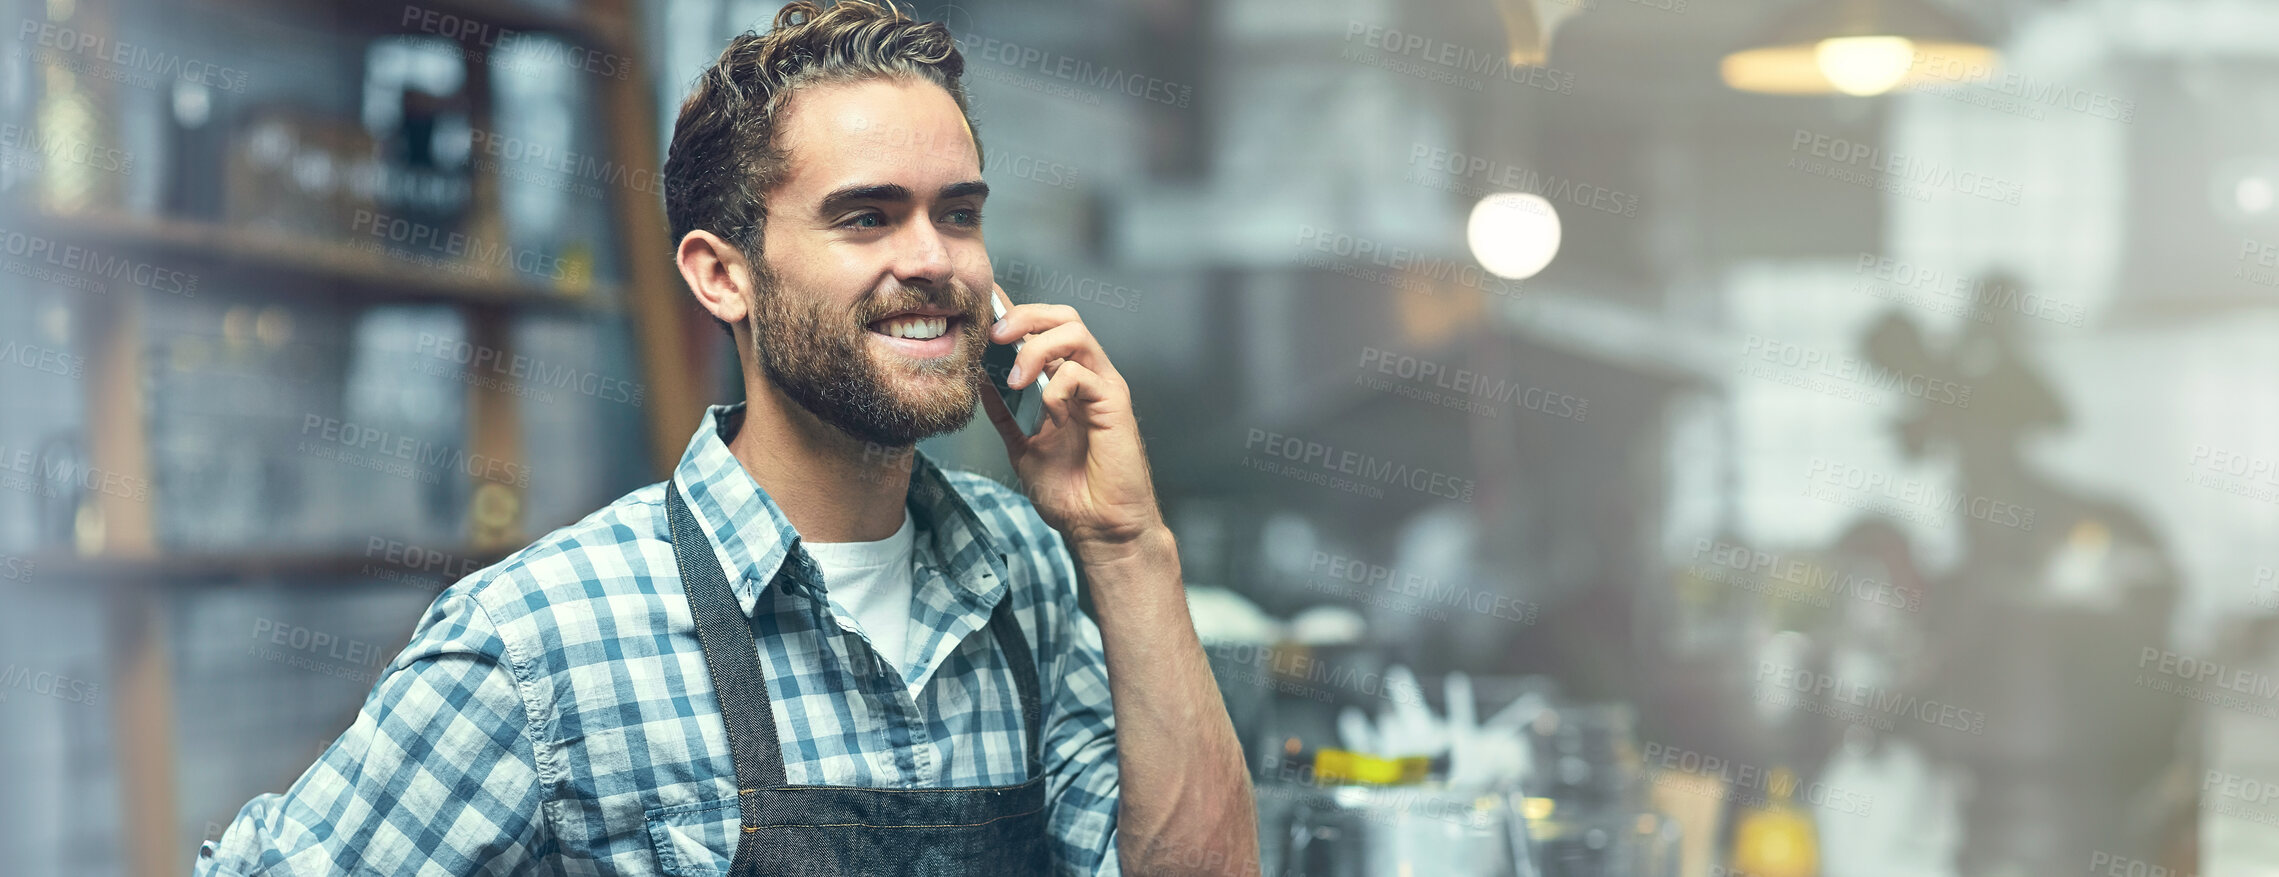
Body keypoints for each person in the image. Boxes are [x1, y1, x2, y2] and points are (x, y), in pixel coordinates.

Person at [193, 2, 1257, 873]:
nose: (935, 260)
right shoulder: (546, 637)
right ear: (721, 274)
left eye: (959, 212)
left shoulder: (1019, 571)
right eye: (866, 217)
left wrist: (1126, 545)